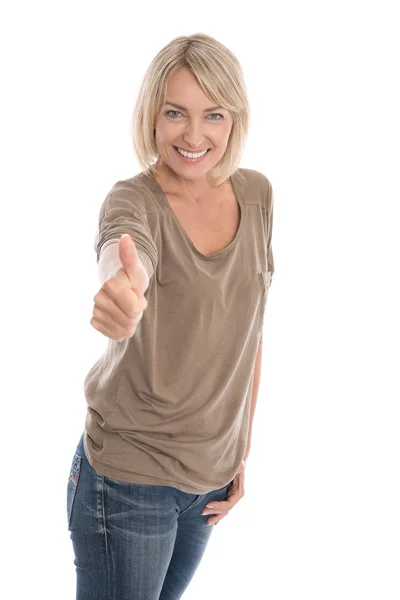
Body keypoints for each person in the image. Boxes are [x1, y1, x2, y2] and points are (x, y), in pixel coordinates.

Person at [66, 32, 275, 600]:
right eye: (176, 112)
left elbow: (247, 332)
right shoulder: (133, 200)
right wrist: (123, 287)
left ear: (235, 118)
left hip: (207, 485)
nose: (194, 135)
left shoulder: (257, 197)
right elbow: (123, 248)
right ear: (152, 115)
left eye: (214, 115)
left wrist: (240, 452)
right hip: (132, 479)